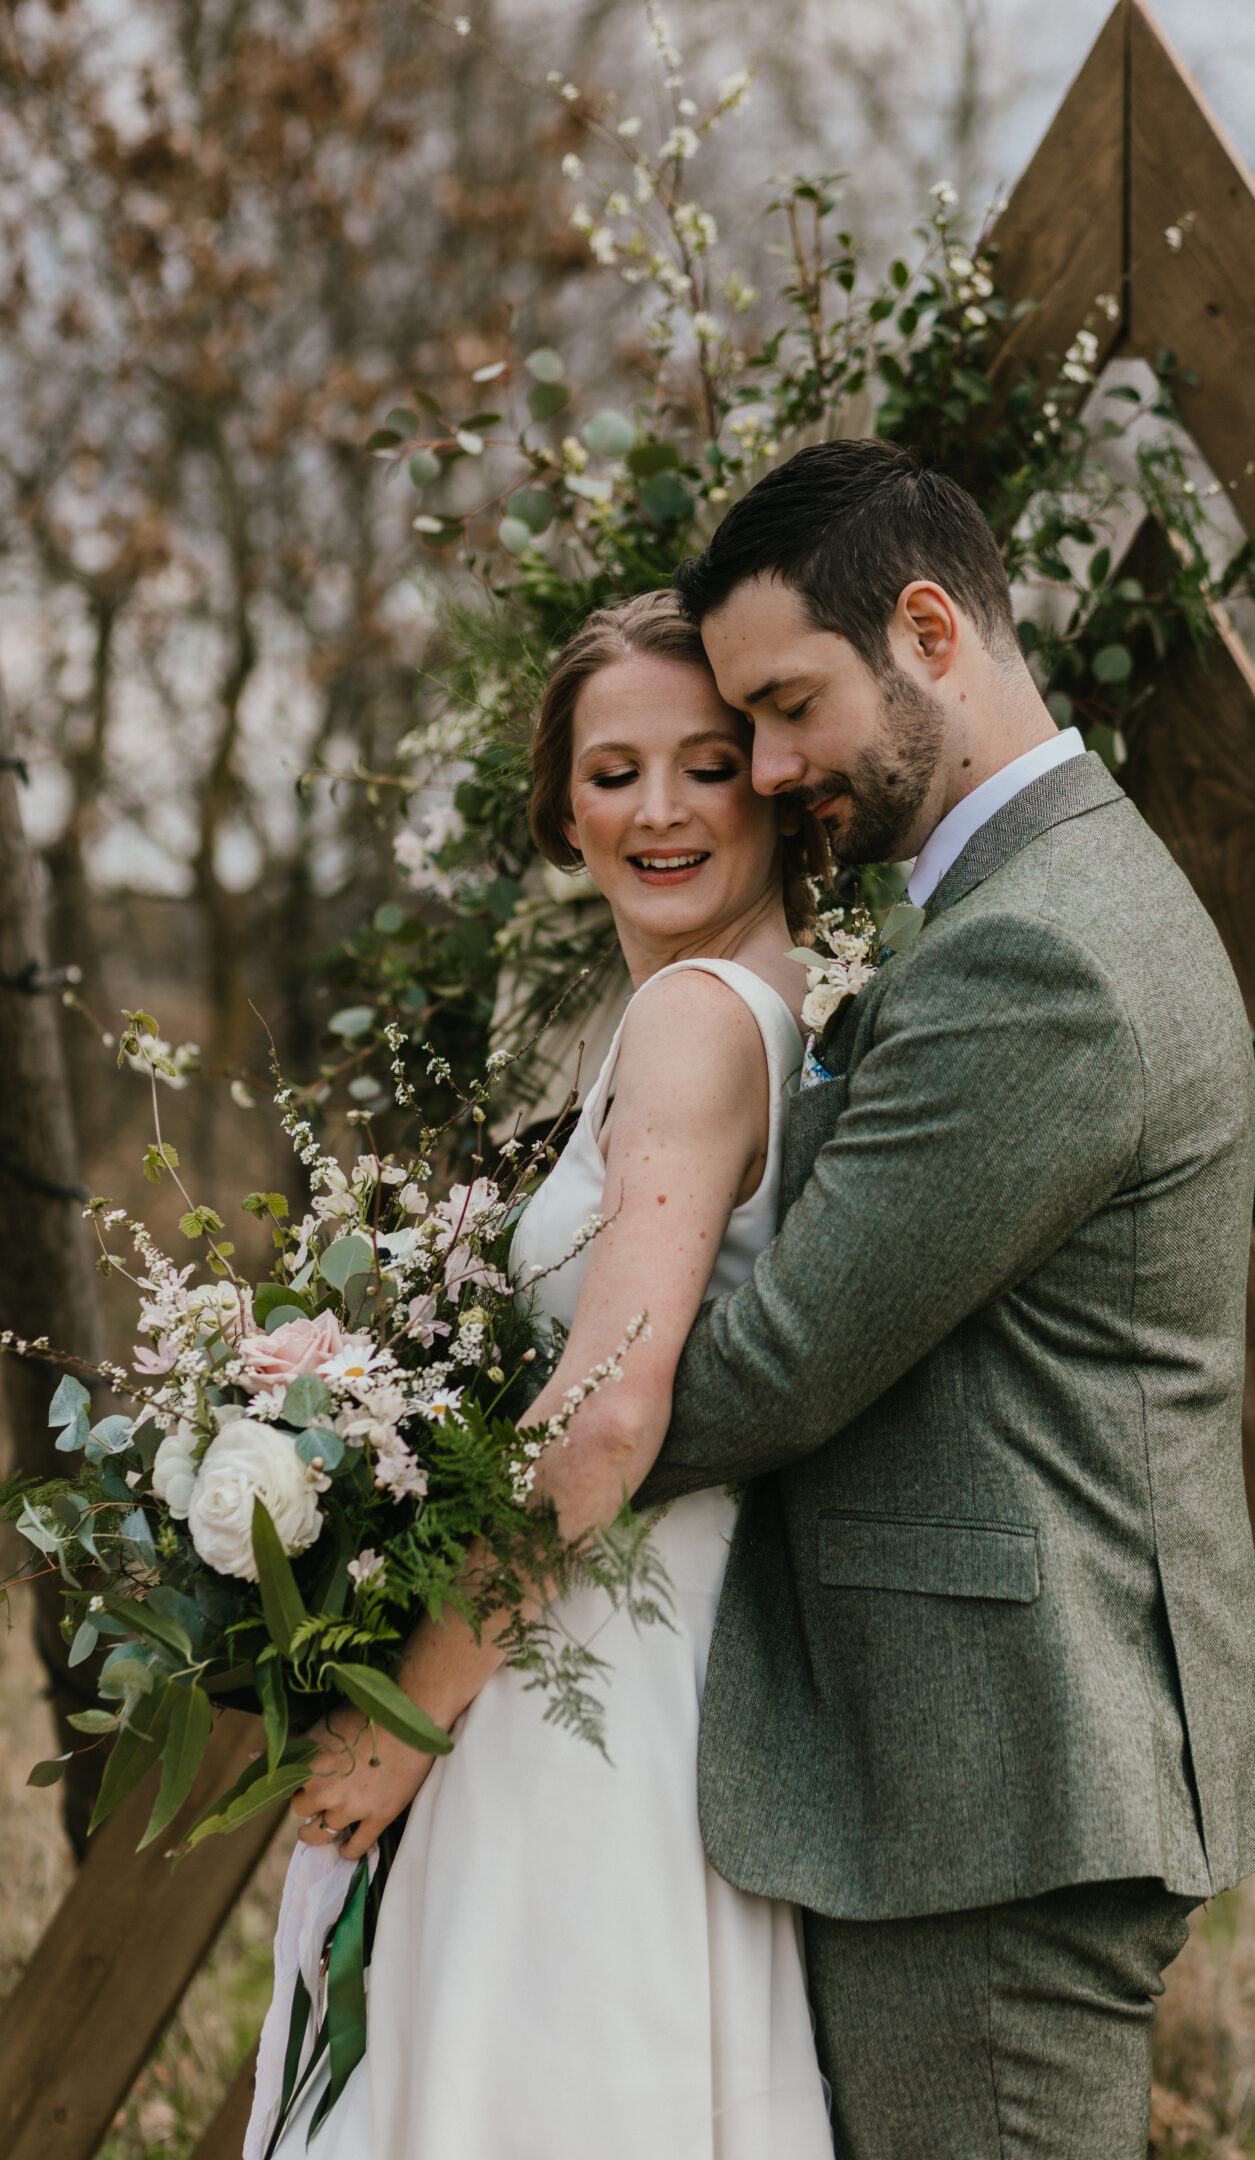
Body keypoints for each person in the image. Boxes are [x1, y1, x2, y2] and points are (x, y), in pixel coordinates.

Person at [544, 437, 1255, 2159]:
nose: (776, 769)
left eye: (792, 709)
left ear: (932, 632)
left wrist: (472, 1461)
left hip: (1005, 1784)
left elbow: (788, 1361)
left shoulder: (1043, 951)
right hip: (981, 1765)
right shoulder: (1023, 901)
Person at [249, 588, 834, 2160]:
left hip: (594, 1680)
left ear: (769, 781)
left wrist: (408, 1712)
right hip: (657, 1653)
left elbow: (607, 1416)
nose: (657, 811)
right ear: (558, 807)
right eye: (612, 771)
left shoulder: (699, 1025)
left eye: (707, 765)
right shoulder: (754, 1000)